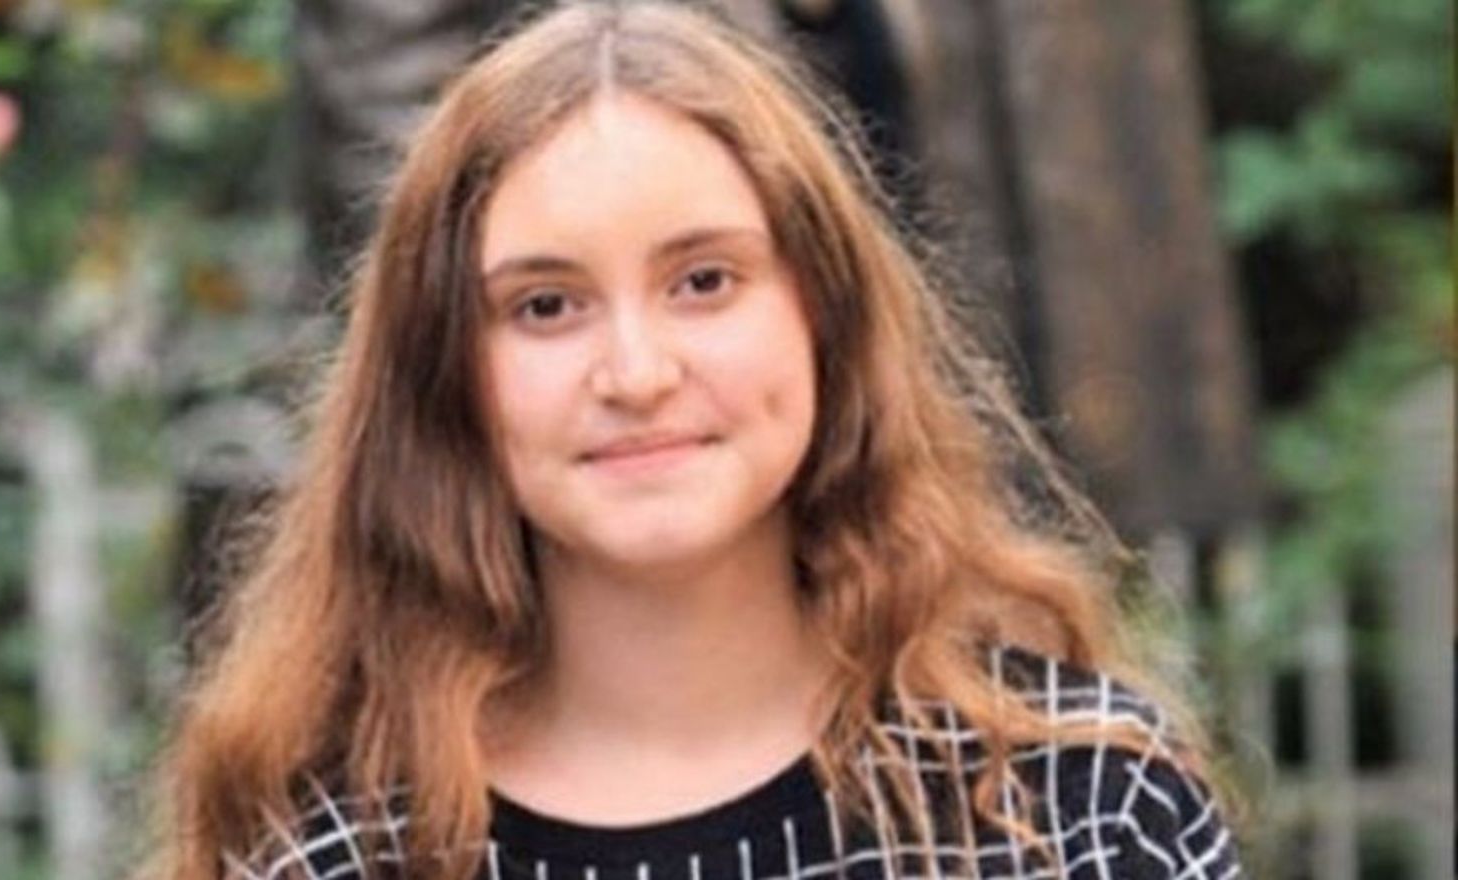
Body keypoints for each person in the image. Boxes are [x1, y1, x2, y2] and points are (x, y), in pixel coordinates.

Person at [144, 2, 1242, 878]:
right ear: (443, 371)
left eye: (705, 281)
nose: (636, 374)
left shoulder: (1085, 814)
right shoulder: (336, 855)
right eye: (544, 306)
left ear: (823, 314)